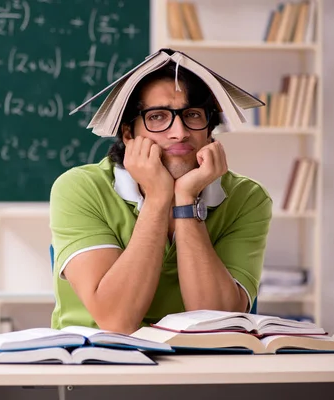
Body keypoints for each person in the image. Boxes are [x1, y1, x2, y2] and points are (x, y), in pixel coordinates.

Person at [49, 60, 272, 334]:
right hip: (98, 364)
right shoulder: (80, 188)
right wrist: (157, 199)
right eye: (157, 117)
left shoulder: (247, 197)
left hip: (200, 368)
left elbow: (216, 326)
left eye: (192, 115)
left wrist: (185, 200)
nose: (180, 132)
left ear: (209, 131)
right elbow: (117, 322)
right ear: (128, 133)